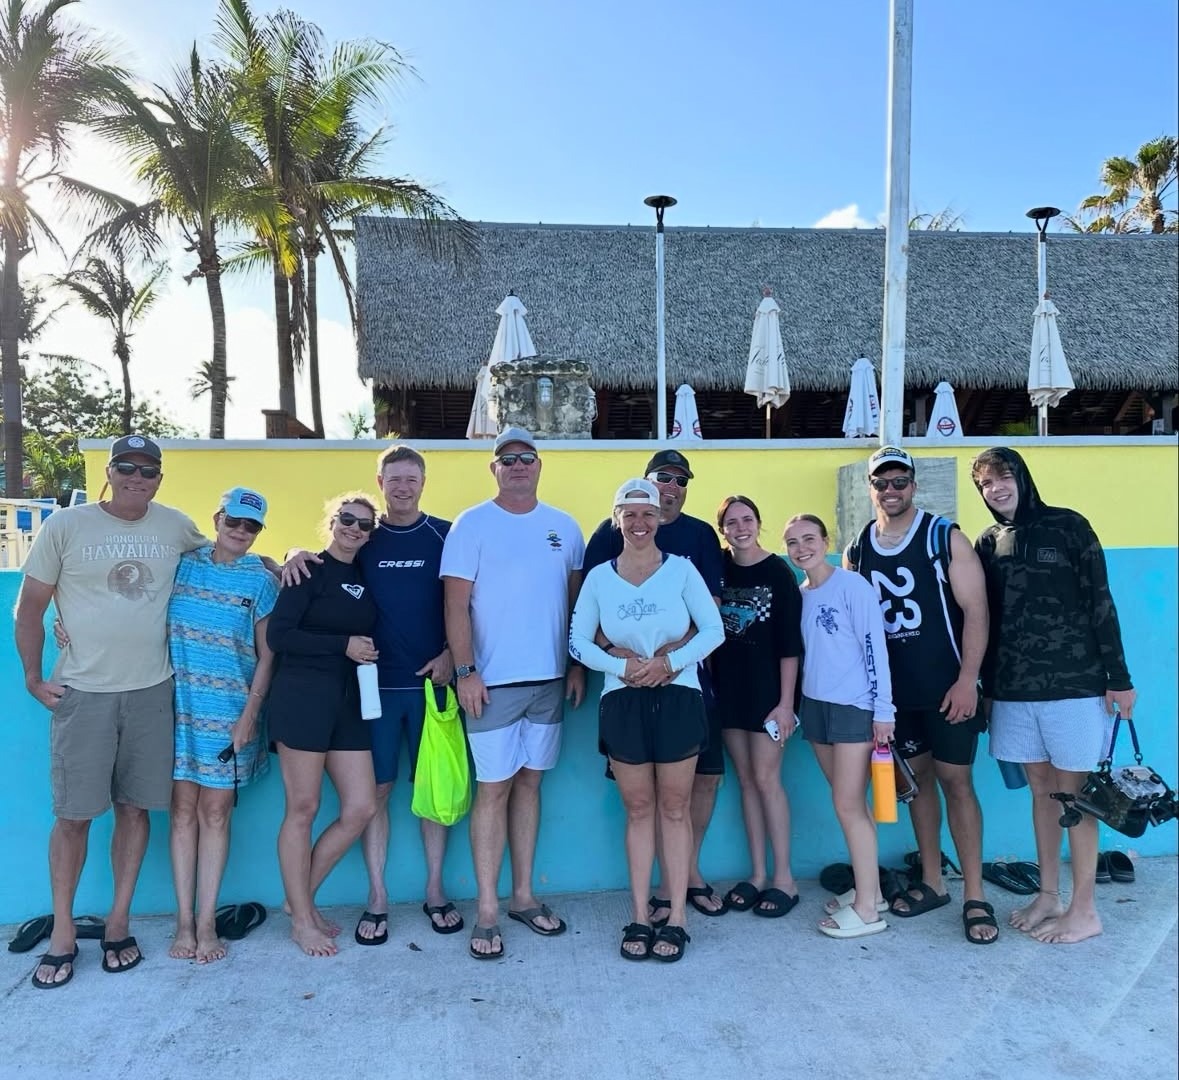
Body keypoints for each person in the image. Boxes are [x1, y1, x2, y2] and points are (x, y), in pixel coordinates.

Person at [15, 434, 205, 987]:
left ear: (159, 479)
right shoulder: (66, 526)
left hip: (153, 693)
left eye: (148, 470)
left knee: (136, 810)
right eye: (126, 466)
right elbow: (30, 609)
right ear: (109, 469)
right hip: (83, 695)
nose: (136, 477)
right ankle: (63, 931)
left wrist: (288, 556)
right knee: (73, 817)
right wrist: (32, 677)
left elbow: (226, 553)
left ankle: (119, 921)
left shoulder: (175, 526)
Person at [971, 447, 1135, 945]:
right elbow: (984, 620)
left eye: (1003, 477)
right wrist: (986, 688)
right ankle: (1049, 894)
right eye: (985, 484)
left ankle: (1084, 910)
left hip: (1074, 686)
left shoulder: (1069, 526)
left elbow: (1099, 600)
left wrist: (1119, 678)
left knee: (1076, 797)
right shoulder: (988, 541)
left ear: (1021, 477)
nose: (996, 489)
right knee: (1042, 793)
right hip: (1014, 692)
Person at [441, 428, 585, 960]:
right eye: (508, 459)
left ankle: (523, 896)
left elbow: (574, 608)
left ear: (539, 465)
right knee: (493, 791)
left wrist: (573, 668)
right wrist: (466, 671)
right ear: (494, 468)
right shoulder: (471, 525)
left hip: (549, 684)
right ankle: (486, 910)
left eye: (526, 458)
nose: (518, 465)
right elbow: (456, 606)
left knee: (529, 786)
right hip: (491, 685)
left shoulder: (564, 528)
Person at [844, 447, 996, 944]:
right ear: (872, 489)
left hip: (947, 689)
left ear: (914, 485)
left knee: (957, 781)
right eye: (882, 483)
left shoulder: (943, 536)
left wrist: (967, 679)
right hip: (892, 698)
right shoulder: (858, 548)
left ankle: (975, 893)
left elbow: (976, 610)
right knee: (914, 786)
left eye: (900, 481)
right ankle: (933, 880)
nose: (891, 491)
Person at [570, 479, 725, 961]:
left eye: (648, 514)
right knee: (639, 810)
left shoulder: (681, 571)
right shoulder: (599, 577)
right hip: (622, 701)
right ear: (617, 518)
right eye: (630, 514)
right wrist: (624, 667)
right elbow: (579, 642)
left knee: (675, 809)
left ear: (660, 519)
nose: (639, 523)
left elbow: (714, 630)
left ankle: (676, 917)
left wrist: (668, 664)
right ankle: (639, 914)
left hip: (678, 695)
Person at [167, 487, 278, 964]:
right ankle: (183, 922)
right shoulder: (183, 563)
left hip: (231, 713)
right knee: (180, 813)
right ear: (217, 518)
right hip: (173, 710)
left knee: (215, 813)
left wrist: (250, 715)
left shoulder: (260, 580)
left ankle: (208, 921)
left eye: (252, 526)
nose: (241, 531)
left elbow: (269, 653)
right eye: (234, 520)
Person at [267, 494, 380, 957]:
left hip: (350, 702)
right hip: (302, 700)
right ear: (331, 522)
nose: (354, 529)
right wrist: (343, 646)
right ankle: (301, 918)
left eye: (364, 525)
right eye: (347, 520)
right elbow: (279, 636)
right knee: (304, 808)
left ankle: (299, 904)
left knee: (361, 808)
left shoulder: (366, 574)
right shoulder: (306, 570)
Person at [356, 446, 460, 943]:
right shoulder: (361, 536)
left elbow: (471, 602)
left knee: (432, 794)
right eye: (393, 479)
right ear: (380, 482)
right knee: (376, 793)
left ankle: (435, 890)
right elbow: (323, 563)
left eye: (410, 479)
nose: (402, 487)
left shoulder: (445, 534)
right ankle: (377, 896)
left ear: (423, 482)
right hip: (374, 691)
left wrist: (449, 656)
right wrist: (292, 555)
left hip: (430, 688)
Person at [784, 514, 895, 939]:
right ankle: (872, 892)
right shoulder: (800, 595)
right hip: (816, 709)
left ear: (825, 540)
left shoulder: (853, 587)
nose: (801, 548)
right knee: (850, 803)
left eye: (808, 538)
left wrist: (883, 711)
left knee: (848, 805)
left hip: (855, 708)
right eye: (792, 542)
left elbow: (875, 649)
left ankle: (868, 910)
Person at [712, 495, 803, 918]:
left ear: (759, 523)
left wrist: (786, 705)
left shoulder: (778, 572)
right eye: (732, 522)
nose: (741, 527)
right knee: (746, 782)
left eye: (747, 519)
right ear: (723, 529)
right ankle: (758, 874)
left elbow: (790, 646)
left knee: (768, 780)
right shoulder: (719, 568)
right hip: (730, 691)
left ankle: (785, 877)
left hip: (770, 695)